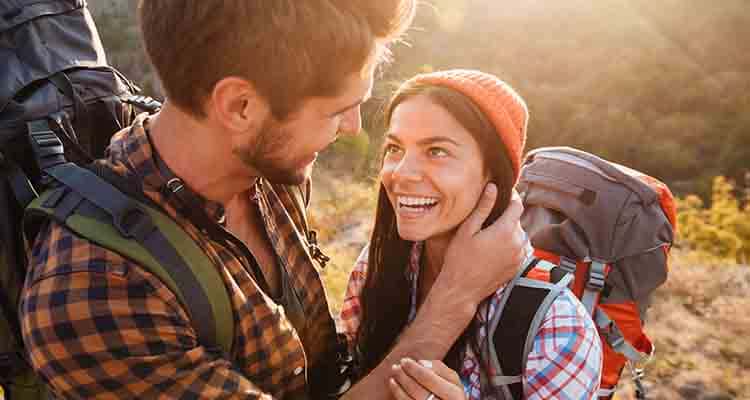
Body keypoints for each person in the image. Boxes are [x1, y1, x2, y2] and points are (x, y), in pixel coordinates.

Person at [19, 3, 530, 399]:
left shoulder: (270, 172)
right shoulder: (94, 291)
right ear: (241, 106)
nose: (352, 130)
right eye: (337, 111)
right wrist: (456, 297)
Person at [340, 70, 603, 400]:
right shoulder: (375, 267)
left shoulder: (557, 328)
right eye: (394, 148)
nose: (401, 173)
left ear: (494, 172)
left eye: (436, 151)